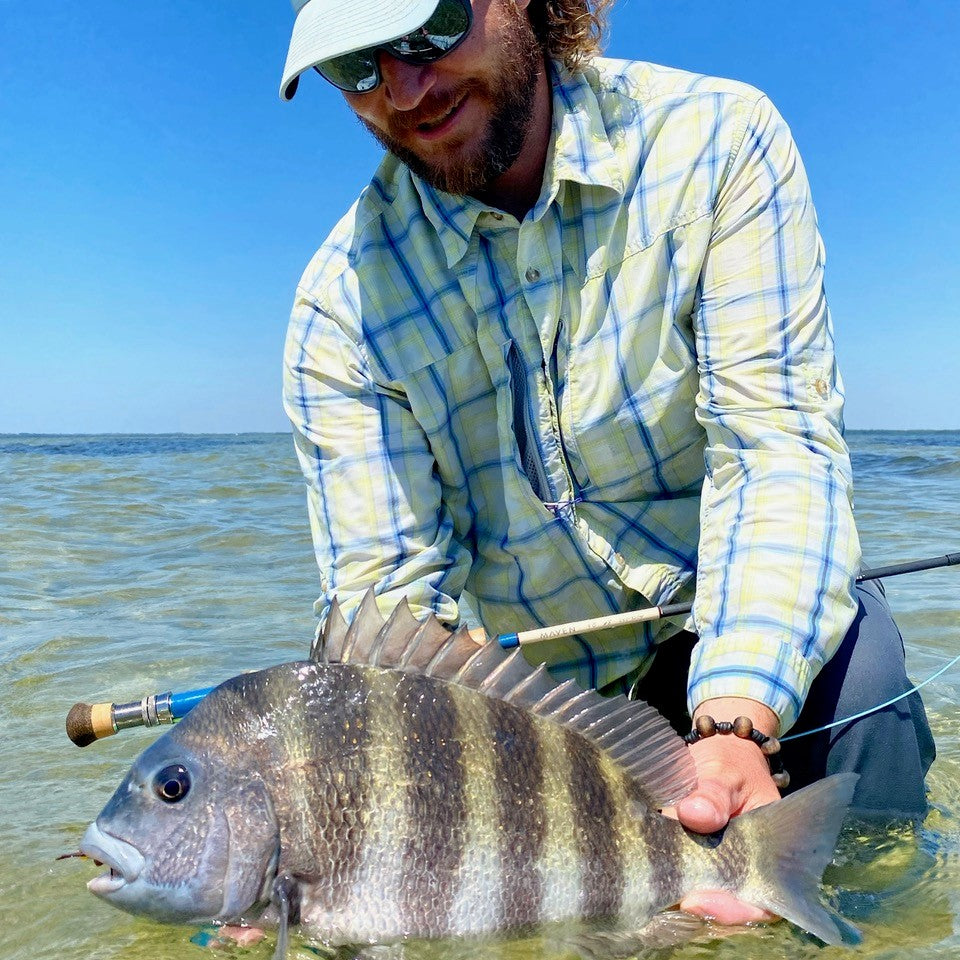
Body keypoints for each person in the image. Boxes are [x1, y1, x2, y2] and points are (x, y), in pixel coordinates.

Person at [278, 0, 934, 924]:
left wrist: (739, 717)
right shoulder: (337, 309)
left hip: (724, 629)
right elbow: (388, 599)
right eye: (354, 66)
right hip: (547, 711)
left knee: (861, 673)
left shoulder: (718, 141)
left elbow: (775, 448)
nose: (405, 87)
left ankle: (881, 922)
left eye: (432, 28)